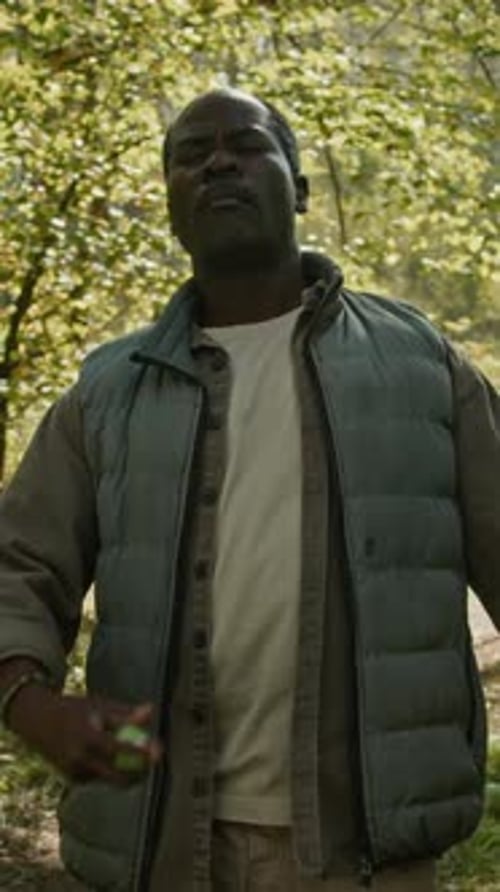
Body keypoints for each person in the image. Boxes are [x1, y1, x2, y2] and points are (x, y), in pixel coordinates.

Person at [0, 87, 499, 892]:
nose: (218, 161)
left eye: (248, 144)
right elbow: (17, 564)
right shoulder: (108, 392)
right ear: (169, 204)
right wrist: (30, 702)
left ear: (298, 188)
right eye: (191, 154)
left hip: (370, 854)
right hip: (155, 842)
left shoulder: (421, 365)